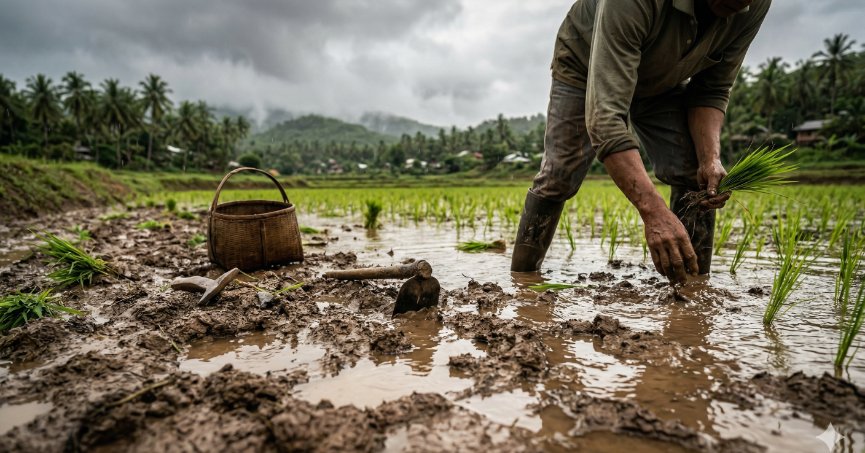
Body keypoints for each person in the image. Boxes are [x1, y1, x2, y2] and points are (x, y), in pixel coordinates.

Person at [511, 0, 770, 283]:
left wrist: (710, 158)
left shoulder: (755, 5)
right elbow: (605, 120)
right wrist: (654, 213)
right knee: (559, 175)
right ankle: (522, 280)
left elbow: (712, 88)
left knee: (695, 174)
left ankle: (692, 289)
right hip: (585, 64)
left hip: (663, 76)